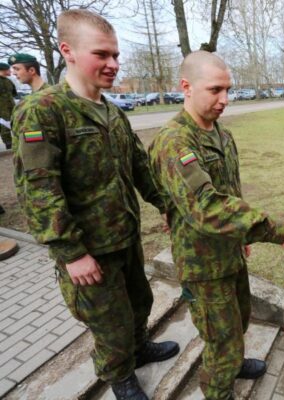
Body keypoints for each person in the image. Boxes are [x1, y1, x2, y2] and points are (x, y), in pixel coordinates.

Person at [11, 10, 179, 400]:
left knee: (140, 303)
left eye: (116, 55)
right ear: (67, 50)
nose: (113, 64)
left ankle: (138, 351)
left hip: (124, 238)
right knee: (109, 323)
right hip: (89, 251)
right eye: (102, 54)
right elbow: (38, 188)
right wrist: (72, 253)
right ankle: (118, 375)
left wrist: (164, 203)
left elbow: (140, 166)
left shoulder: (111, 112)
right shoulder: (43, 110)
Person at [148, 50, 284, 400]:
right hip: (202, 264)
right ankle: (219, 389)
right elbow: (208, 207)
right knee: (220, 338)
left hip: (228, 252)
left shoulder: (220, 135)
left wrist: (242, 235)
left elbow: (230, 192)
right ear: (187, 87)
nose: (225, 99)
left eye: (228, 89)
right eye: (215, 90)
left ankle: (235, 363)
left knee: (238, 319)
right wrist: (280, 230)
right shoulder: (175, 141)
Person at [0, 62, 16, 150]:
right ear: (3, 70)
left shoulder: (8, 81)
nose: (11, 71)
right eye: (8, 69)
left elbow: (14, 93)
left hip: (12, 108)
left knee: (15, 123)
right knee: (4, 127)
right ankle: (8, 145)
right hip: (2, 110)